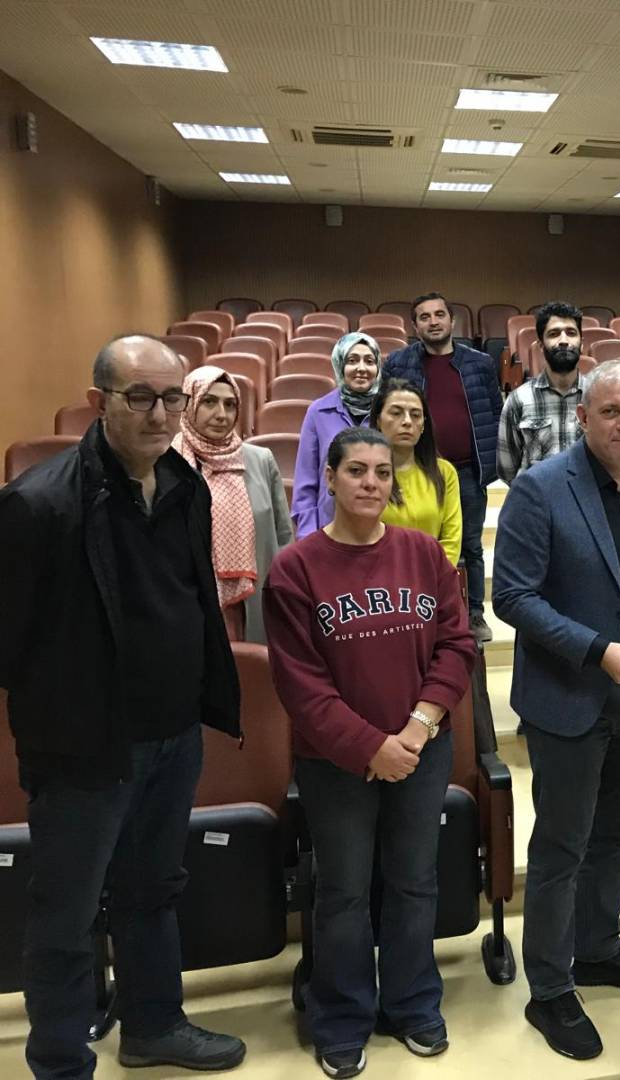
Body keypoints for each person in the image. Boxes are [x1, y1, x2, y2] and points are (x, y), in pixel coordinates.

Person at [0, 335, 245, 1078]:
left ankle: (153, 1026)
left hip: (173, 734)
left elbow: (192, 600)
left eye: (172, 397)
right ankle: (59, 1061)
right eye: (140, 397)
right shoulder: (38, 504)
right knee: (67, 912)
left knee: (153, 889)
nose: (160, 414)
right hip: (85, 747)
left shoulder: (184, 486)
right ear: (99, 401)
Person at [264, 427, 475, 1078]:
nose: (371, 483)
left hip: (421, 749)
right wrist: (370, 747)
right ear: (329, 478)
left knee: (415, 882)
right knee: (344, 892)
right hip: (335, 763)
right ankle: (342, 1016)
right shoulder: (295, 568)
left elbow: (457, 645)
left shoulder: (423, 553)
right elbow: (301, 685)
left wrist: (416, 728)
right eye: (356, 470)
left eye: (383, 473)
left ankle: (412, 1004)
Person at [492, 361, 620, 1062]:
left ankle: (598, 947)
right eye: (611, 412)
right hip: (569, 694)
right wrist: (597, 650)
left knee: (616, 832)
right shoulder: (540, 487)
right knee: (561, 847)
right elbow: (512, 597)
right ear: (582, 417)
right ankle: (549, 987)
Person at [382, 293, 503, 644]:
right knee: (420, 541)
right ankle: (424, 609)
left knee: (471, 546)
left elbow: (494, 412)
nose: (433, 321)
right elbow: (386, 408)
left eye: (439, 315)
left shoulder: (480, 363)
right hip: (417, 468)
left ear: (452, 320)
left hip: (467, 471)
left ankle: (474, 612)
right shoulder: (399, 363)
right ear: (414, 326)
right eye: (424, 317)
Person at [172, 364, 293, 643]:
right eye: (209, 402)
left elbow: (283, 535)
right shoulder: (169, 462)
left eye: (230, 405)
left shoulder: (260, 460)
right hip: (190, 601)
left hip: (253, 600)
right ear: (189, 404)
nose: (221, 414)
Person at [294, 332, 379, 537]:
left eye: (369, 361)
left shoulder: (388, 410)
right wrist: (308, 537)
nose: (361, 368)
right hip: (329, 528)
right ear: (340, 365)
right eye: (352, 360)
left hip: (380, 528)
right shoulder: (318, 411)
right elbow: (306, 482)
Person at [496, 300, 591, 484]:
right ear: (540, 345)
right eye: (554, 334)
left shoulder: (598, 397)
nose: (563, 341)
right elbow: (507, 469)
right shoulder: (519, 400)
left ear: (581, 343)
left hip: (588, 498)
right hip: (536, 500)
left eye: (571, 333)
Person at [370, 378, 462, 567]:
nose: (407, 421)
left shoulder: (444, 472)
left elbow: (451, 541)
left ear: (423, 425)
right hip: (377, 576)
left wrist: (428, 576)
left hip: (433, 576)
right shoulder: (365, 475)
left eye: (415, 415)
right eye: (396, 413)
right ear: (378, 420)